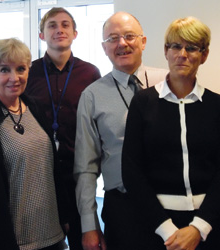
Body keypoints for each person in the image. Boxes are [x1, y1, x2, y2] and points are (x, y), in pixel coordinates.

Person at [122, 17, 220, 250]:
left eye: (192, 47)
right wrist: (166, 229)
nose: (182, 54)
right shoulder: (143, 103)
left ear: (204, 55)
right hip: (157, 227)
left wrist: (199, 228)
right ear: (166, 51)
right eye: (175, 46)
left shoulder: (215, 104)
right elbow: (131, 171)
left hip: (211, 226)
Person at [73, 11, 168, 250]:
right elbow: (85, 168)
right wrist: (89, 226)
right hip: (123, 210)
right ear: (104, 48)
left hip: (171, 202)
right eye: (113, 39)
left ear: (143, 42)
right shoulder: (92, 96)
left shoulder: (169, 82)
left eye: (129, 36)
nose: (121, 44)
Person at [0, 38, 67, 250]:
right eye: (4, 70)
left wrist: (64, 216)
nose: (14, 78)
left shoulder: (34, 107)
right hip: (10, 239)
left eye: (21, 69)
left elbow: (51, 169)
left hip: (52, 234)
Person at [25, 7, 101, 250]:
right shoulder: (28, 72)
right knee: (45, 243)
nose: (59, 29)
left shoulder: (90, 73)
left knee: (84, 240)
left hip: (79, 171)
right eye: (52, 25)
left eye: (65, 25)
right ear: (41, 35)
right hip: (40, 173)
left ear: (75, 33)